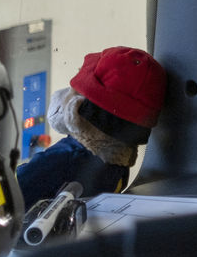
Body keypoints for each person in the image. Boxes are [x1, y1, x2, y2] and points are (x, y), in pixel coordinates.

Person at [16, 46, 166, 209]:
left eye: (74, 92)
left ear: (79, 110)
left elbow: (10, 192)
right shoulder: (117, 165)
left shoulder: (66, 159)